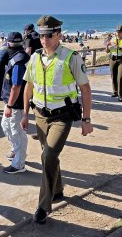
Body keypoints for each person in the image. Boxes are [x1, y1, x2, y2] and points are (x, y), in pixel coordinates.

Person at [20, 15, 93, 224]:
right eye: (42, 36)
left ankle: (43, 206)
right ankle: (58, 188)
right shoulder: (34, 58)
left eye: (49, 35)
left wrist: (87, 119)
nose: (45, 40)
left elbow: (85, 89)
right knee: (48, 155)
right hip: (40, 115)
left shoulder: (71, 57)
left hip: (62, 116)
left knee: (48, 155)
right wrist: (25, 114)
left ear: (59, 34)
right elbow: (29, 87)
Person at [0, 32, 29, 174]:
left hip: (16, 103)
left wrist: (9, 106)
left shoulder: (18, 61)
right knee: (6, 125)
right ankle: (16, 151)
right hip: (13, 101)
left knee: (17, 132)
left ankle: (19, 164)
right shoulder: (18, 57)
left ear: (8, 43)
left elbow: (16, 86)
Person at [106, 25, 122, 101]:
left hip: (121, 60)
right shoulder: (113, 39)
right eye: (117, 31)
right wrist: (107, 45)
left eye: (120, 32)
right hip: (112, 59)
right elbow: (107, 51)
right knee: (113, 76)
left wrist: (118, 47)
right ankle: (115, 92)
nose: (118, 33)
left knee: (120, 77)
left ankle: (120, 94)